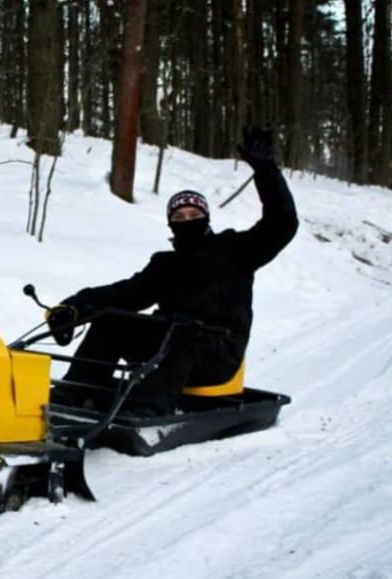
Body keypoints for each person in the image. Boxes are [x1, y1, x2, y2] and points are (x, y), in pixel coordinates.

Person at [52, 127, 299, 417]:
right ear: (171, 224)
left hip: (217, 354)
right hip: (168, 347)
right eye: (179, 217)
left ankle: (145, 410)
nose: (187, 220)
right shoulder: (166, 264)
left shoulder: (236, 250)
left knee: (182, 330)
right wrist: (77, 304)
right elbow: (127, 294)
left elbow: (282, 223)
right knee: (112, 321)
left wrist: (266, 170)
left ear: (206, 218)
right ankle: (74, 394)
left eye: (194, 215)